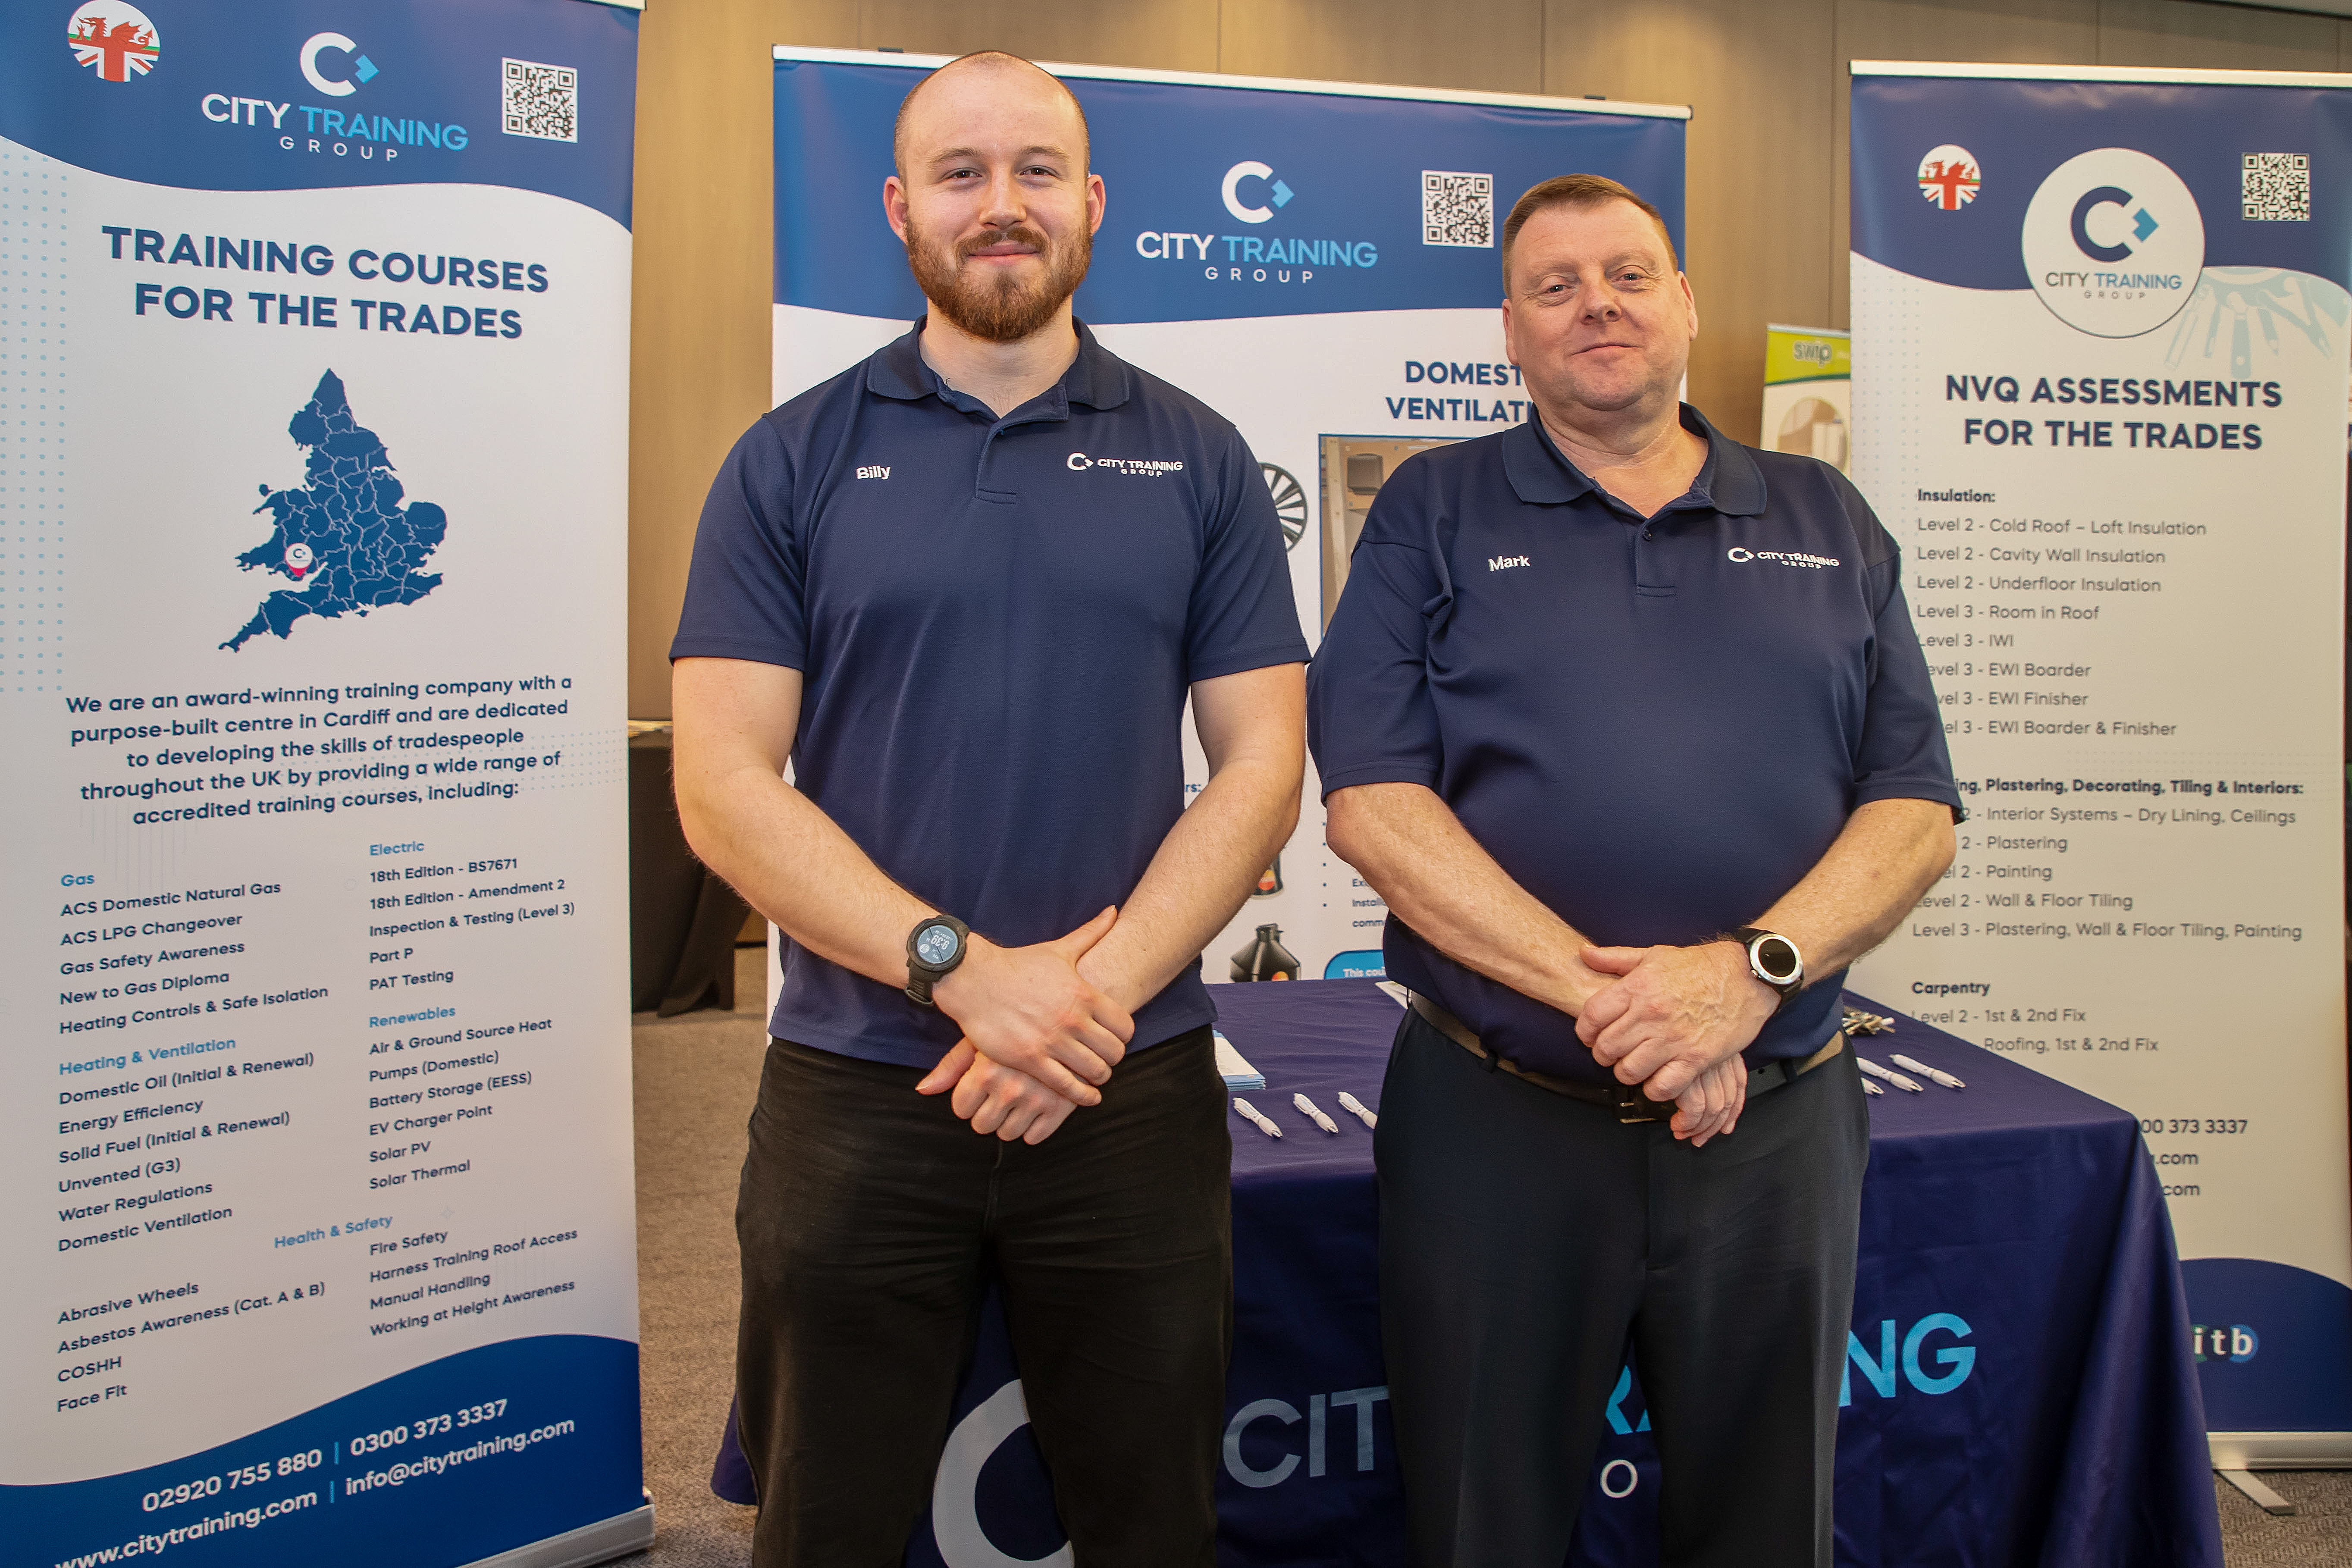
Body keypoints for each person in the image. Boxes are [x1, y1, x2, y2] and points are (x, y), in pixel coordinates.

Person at [668, 50, 1308, 1568]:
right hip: (859, 1082)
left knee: (1151, 1518)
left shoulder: (1202, 459)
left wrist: (1082, 999)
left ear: (1093, 203)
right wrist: (964, 972)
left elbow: (1264, 765)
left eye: (1037, 171)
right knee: (829, 1518)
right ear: (902, 209)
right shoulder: (788, 460)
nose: (1002, 204)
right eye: (962, 173)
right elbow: (722, 784)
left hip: (1124, 1079)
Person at [1305, 173, 1961, 1566]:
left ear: (1686, 304)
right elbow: (1371, 803)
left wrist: (1747, 979)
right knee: (1483, 1522)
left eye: (1627, 275)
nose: (1596, 305)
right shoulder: (1431, 509)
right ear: (1510, 331)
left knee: (1766, 1526)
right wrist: (1648, 1016)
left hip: (1773, 1125)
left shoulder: (1829, 516)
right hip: (1501, 1124)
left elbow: (1914, 809)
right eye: (1555, 287)